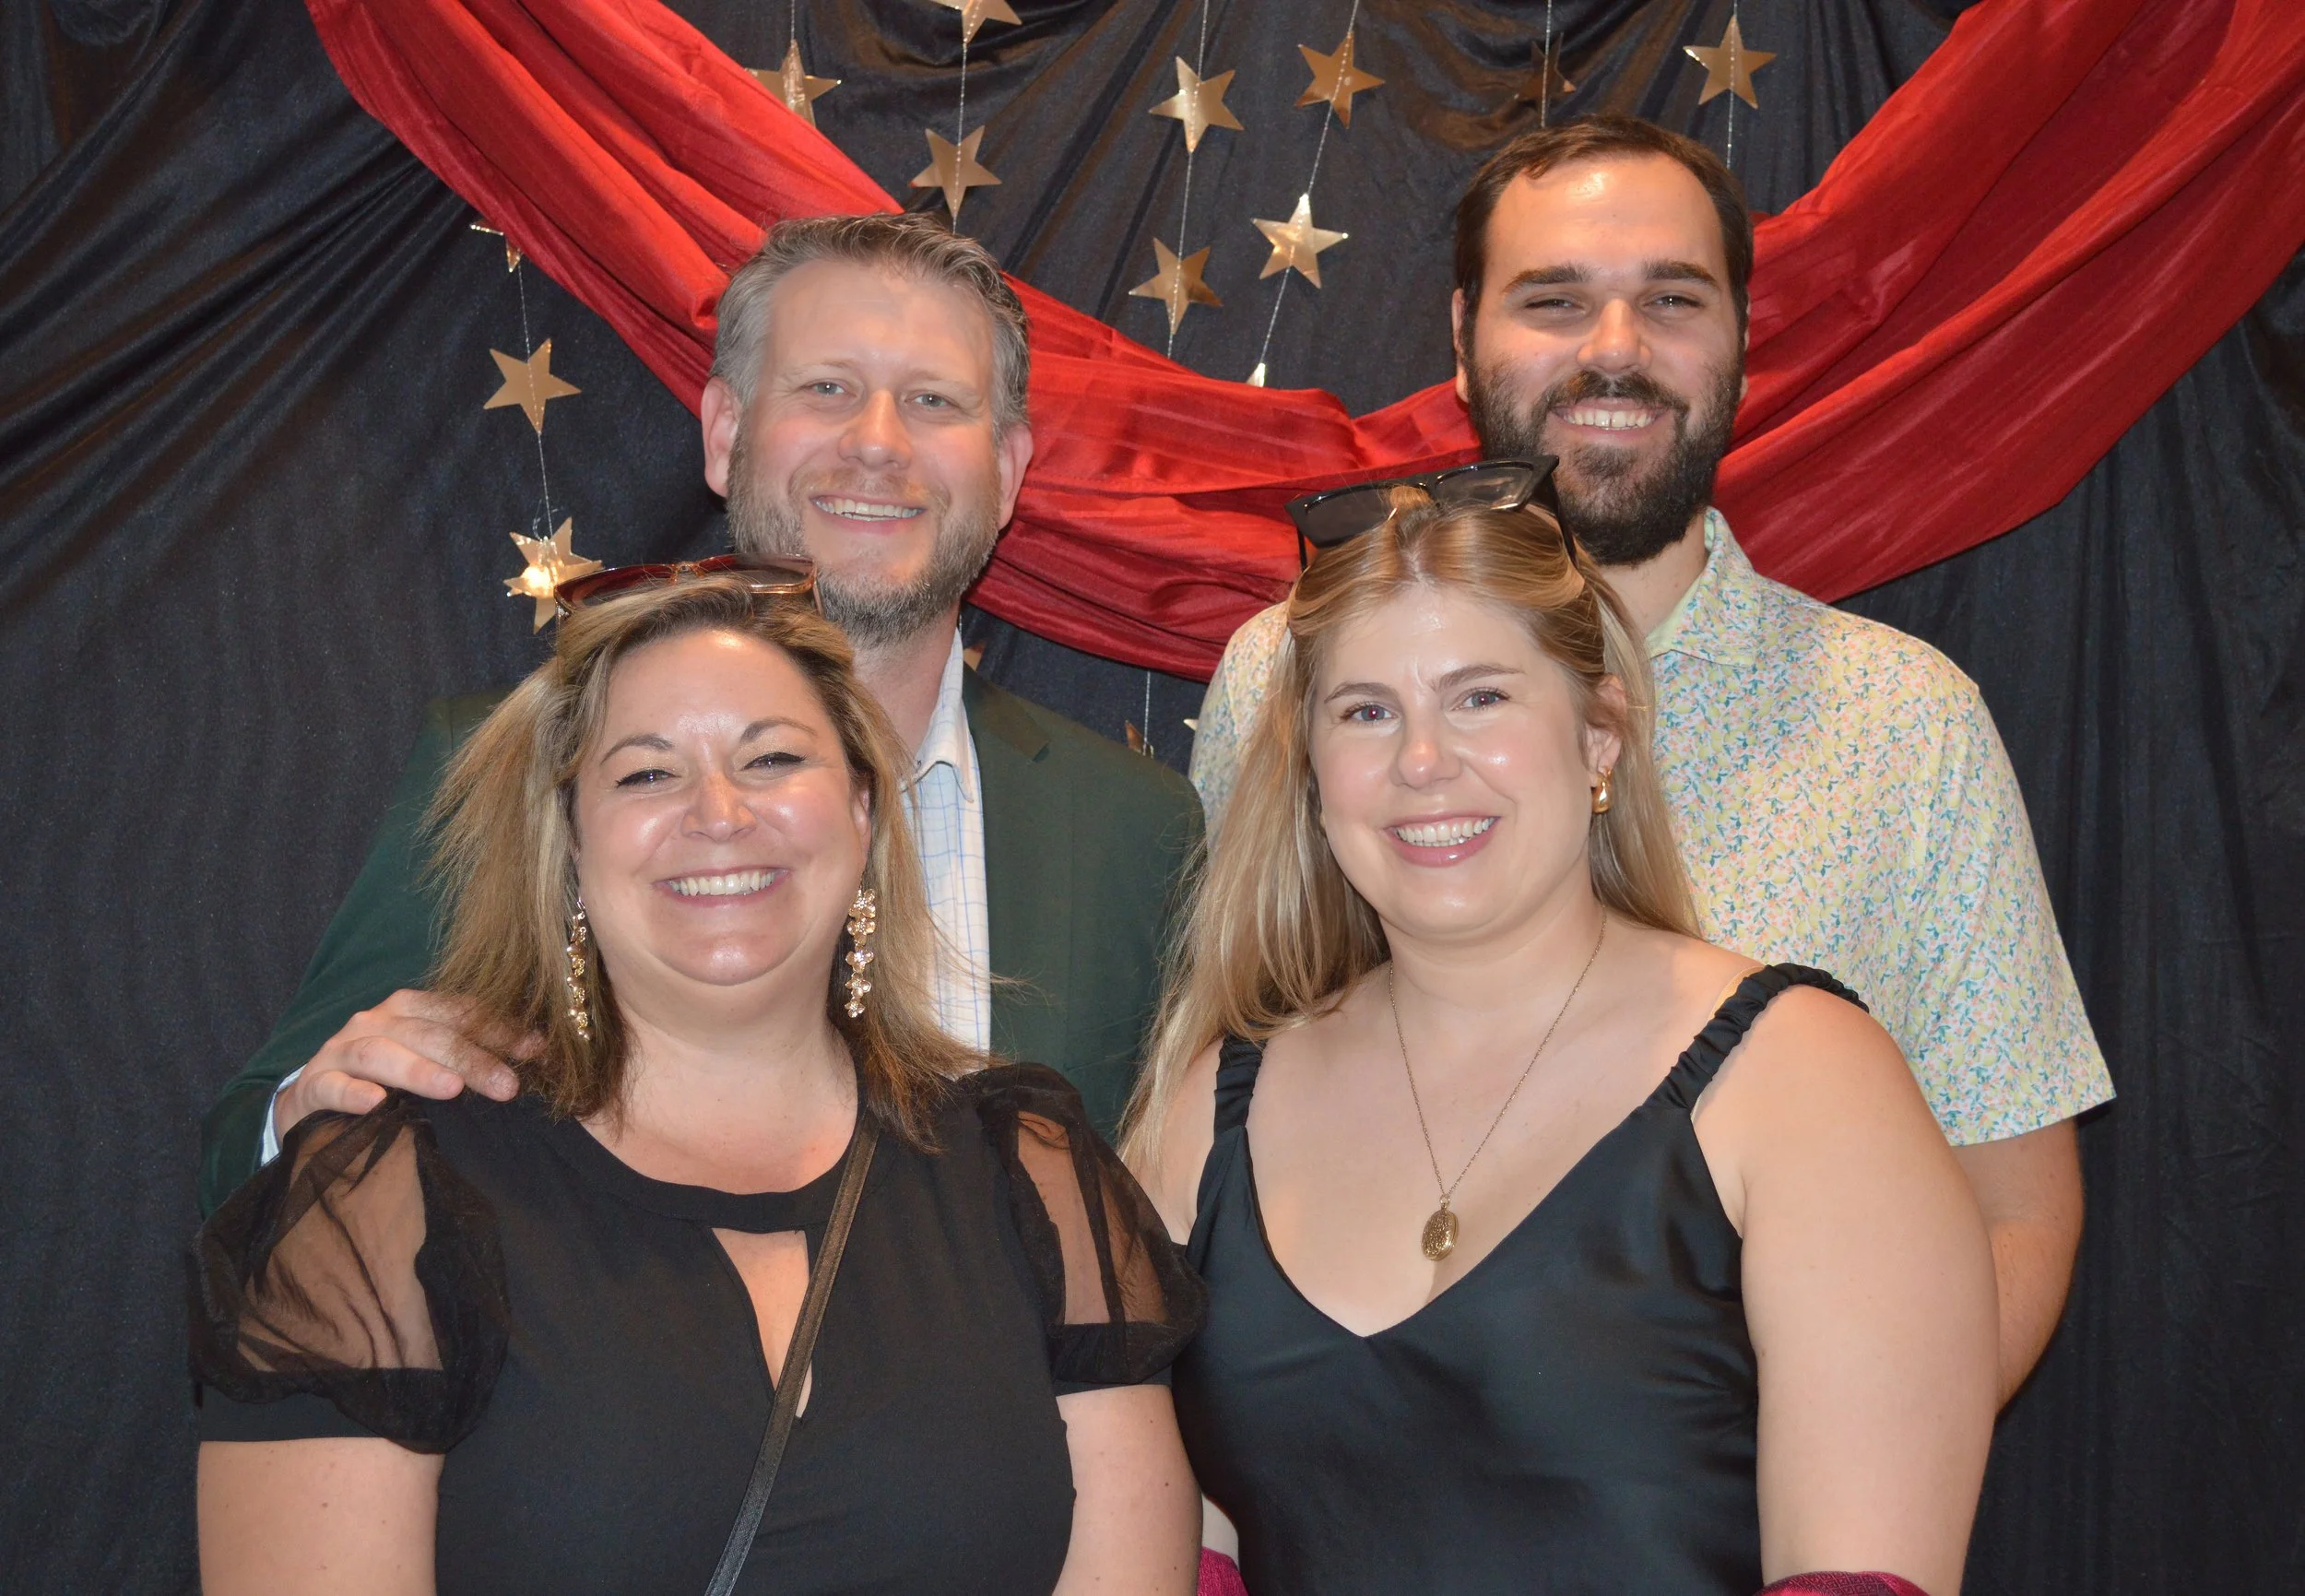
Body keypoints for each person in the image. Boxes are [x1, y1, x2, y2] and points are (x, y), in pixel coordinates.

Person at [1186, 115, 2111, 1401]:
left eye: (1672, 300)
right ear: (1461, 341)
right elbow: (1212, 1133)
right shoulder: (1286, 678)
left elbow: (2010, 1211)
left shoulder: (1907, 724)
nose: (1614, 351)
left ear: (1740, 335)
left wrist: (1813, 1510)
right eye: (1554, 300)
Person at [191, 573, 1205, 1595]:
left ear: (861, 812)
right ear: (571, 843)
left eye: (770, 759)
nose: (718, 814)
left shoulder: (1032, 1174)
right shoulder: (395, 1201)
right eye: (644, 776)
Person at [198, 214, 1200, 1214]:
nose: (877, 444)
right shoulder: (504, 763)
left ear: (1009, 470)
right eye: (827, 389)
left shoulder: (1136, 830)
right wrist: (302, 1122)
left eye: (933, 401)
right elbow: (245, 1185)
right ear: (725, 435)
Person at [1129, 482, 1997, 1595]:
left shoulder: (1802, 1081)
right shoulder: (1213, 1108)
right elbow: (1162, 1556)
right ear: (1308, 770)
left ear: (1598, 737)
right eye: (1365, 711)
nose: (1423, 761)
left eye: (1480, 697)